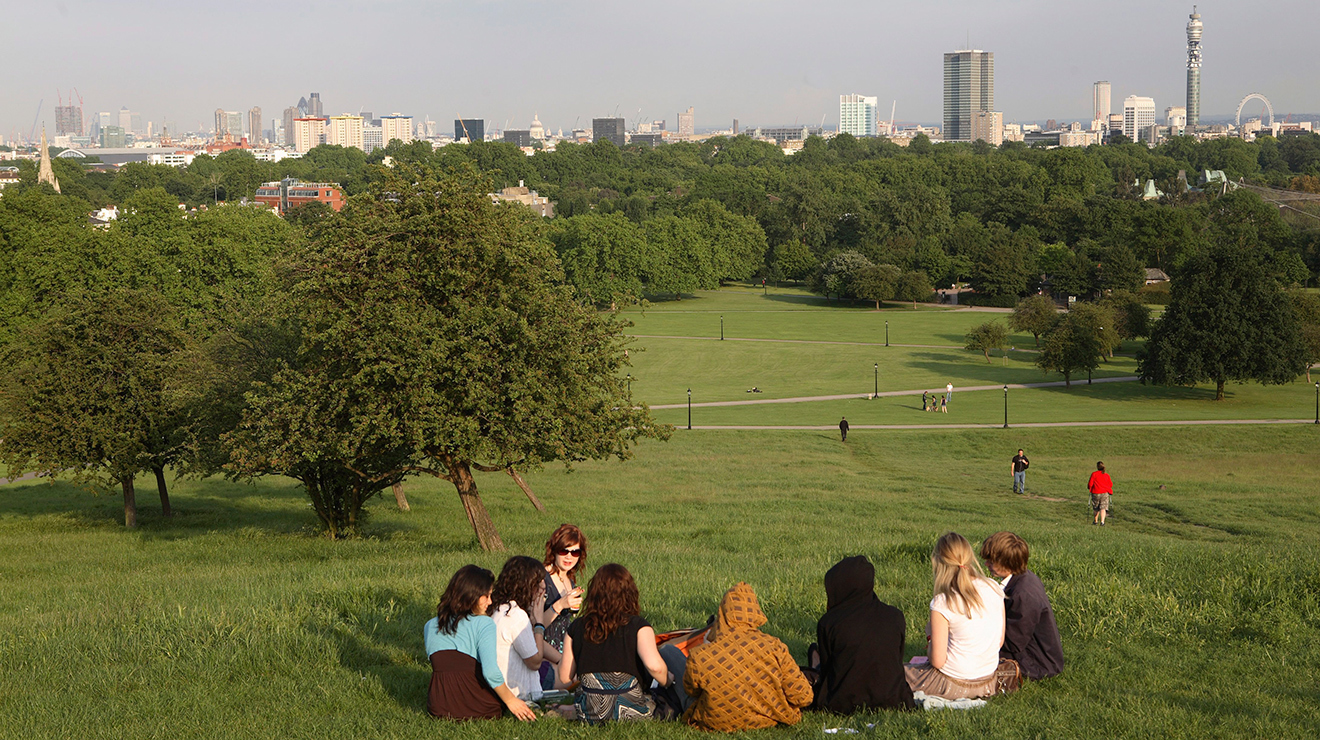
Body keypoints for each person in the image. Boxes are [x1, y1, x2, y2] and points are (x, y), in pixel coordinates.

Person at [682, 582, 813, 731]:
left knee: (668, 651)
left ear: (722, 614)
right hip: (767, 721)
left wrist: (706, 645)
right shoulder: (774, 646)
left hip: (714, 722)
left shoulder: (700, 655)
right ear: (754, 612)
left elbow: (691, 691)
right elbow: (803, 696)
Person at [558, 563, 674, 723]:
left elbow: (564, 677)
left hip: (590, 713)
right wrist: (668, 680)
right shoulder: (639, 626)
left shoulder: (576, 627)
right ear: (630, 593)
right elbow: (655, 667)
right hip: (632, 710)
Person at [423, 565, 537, 721]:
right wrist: (511, 700)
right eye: (486, 596)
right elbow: (490, 672)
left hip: (438, 705)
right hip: (477, 706)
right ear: (471, 595)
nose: (490, 602)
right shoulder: (484, 624)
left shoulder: (430, 625)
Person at [904, 532, 1009, 700]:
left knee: (893, 674)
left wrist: (930, 635)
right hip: (988, 682)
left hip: (952, 684)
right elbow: (999, 641)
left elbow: (937, 662)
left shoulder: (942, 602)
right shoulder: (993, 587)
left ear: (939, 562)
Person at [809, 556, 915, 714]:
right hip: (893, 699)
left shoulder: (829, 623)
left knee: (813, 653)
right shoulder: (895, 616)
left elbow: (829, 671)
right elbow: (896, 661)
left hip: (842, 703)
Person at [979, 532, 1064, 681]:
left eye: (991, 561)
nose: (986, 564)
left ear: (1007, 562)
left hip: (1037, 664)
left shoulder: (1024, 595)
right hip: (1029, 653)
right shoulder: (1023, 578)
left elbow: (1012, 643)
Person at [490, 556, 562, 701]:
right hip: (519, 691)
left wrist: (561, 659)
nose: (543, 586)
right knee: (568, 675)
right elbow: (535, 662)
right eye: (537, 583)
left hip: (505, 686)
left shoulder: (501, 608)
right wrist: (539, 623)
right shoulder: (516, 616)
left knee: (562, 667)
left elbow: (531, 644)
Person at [538, 524, 587, 688]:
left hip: (565, 653)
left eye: (575, 552)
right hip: (545, 655)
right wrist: (559, 605)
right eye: (563, 551)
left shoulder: (569, 580)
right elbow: (534, 629)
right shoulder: (542, 580)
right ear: (554, 550)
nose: (569, 557)